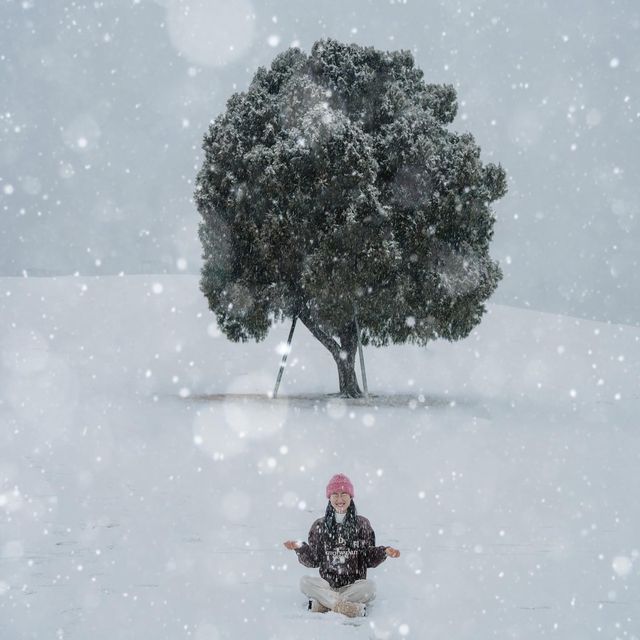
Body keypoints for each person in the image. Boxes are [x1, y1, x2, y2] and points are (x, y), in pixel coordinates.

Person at [283, 473, 400, 618]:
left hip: (353, 587)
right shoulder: (319, 526)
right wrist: (299, 548)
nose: (339, 499)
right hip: (327, 586)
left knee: (370, 588)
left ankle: (323, 605)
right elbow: (313, 560)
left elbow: (368, 557)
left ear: (350, 497)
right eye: (335, 494)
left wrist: (384, 552)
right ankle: (346, 607)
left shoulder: (362, 524)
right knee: (305, 582)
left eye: (344, 494)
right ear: (329, 498)